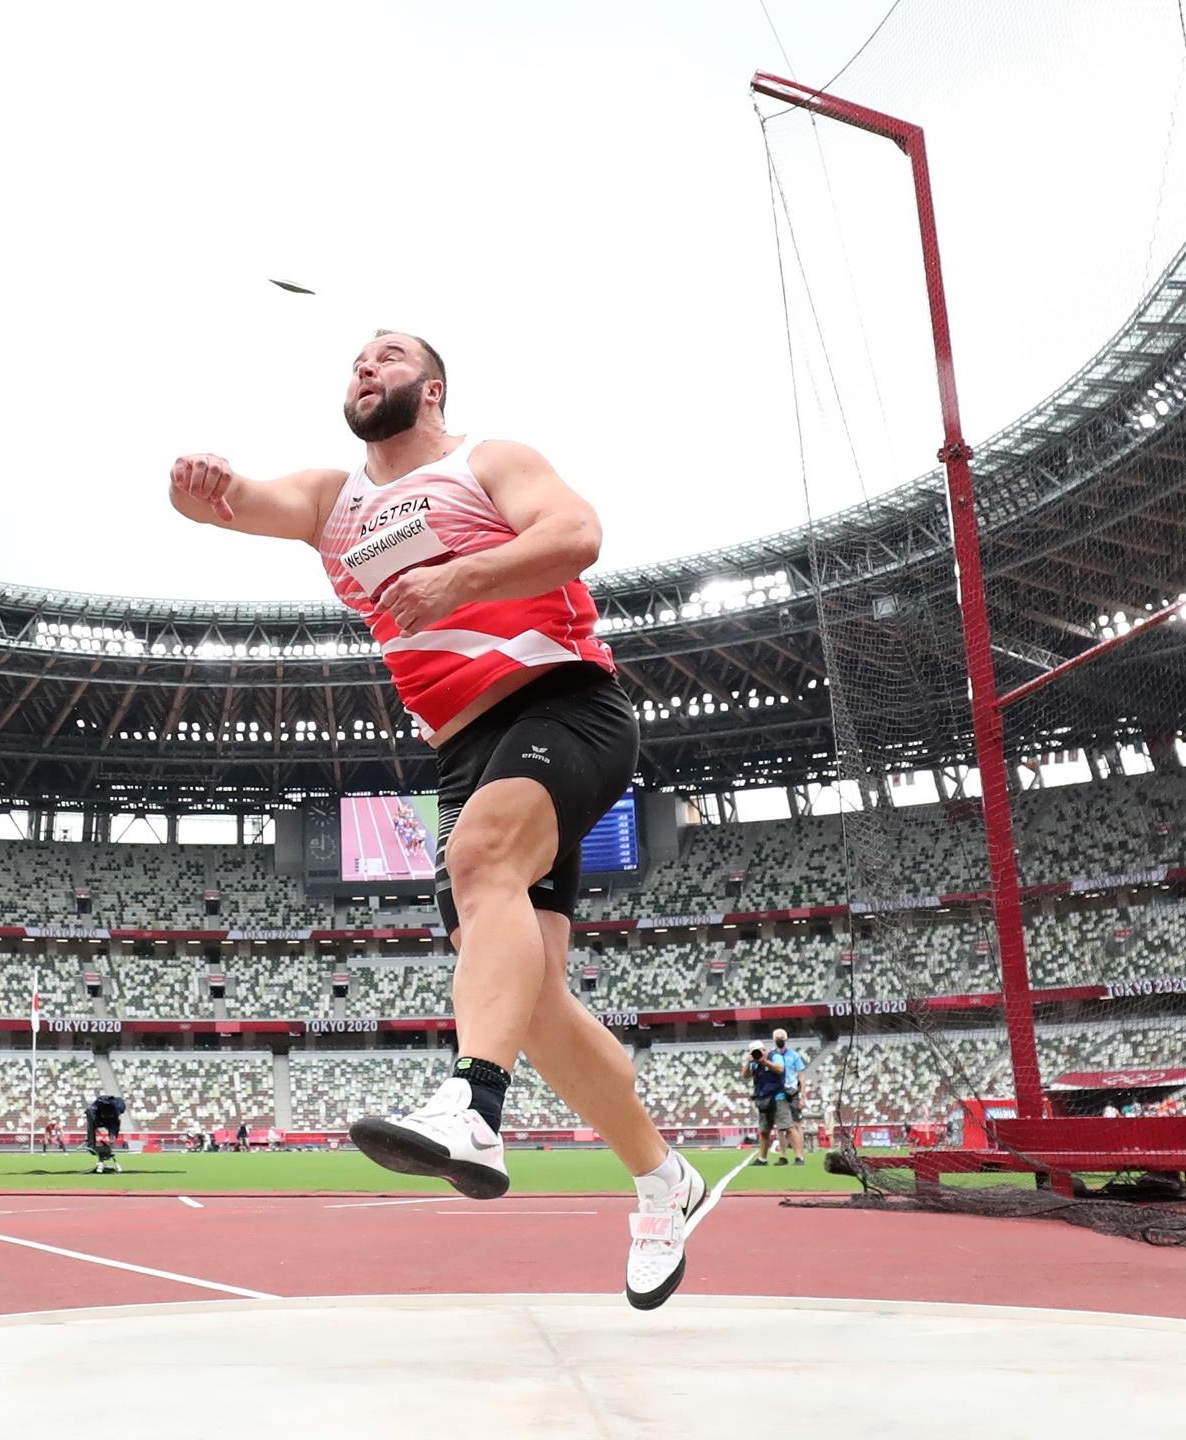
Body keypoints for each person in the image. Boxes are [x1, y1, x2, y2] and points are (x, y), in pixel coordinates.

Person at [171, 332, 704, 1310]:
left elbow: (576, 534)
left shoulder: (485, 461)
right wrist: (198, 488)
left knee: (479, 857)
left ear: (432, 386)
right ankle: (663, 1181)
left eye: (386, 355)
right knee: (535, 1007)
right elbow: (233, 504)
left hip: (562, 704)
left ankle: (471, 1103)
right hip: (466, 751)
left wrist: (462, 579)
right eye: (353, 362)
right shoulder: (333, 502)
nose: (363, 368)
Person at [748, 1029, 808, 1166]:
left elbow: (796, 1073)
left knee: (791, 1126)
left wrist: (803, 1094)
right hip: (764, 1097)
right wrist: (749, 1061)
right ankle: (781, 1156)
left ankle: (799, 1156)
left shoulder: (786, 1056)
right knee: (767, 1129)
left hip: (787, 1092)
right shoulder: (756, 1062)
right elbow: (746, 1075)